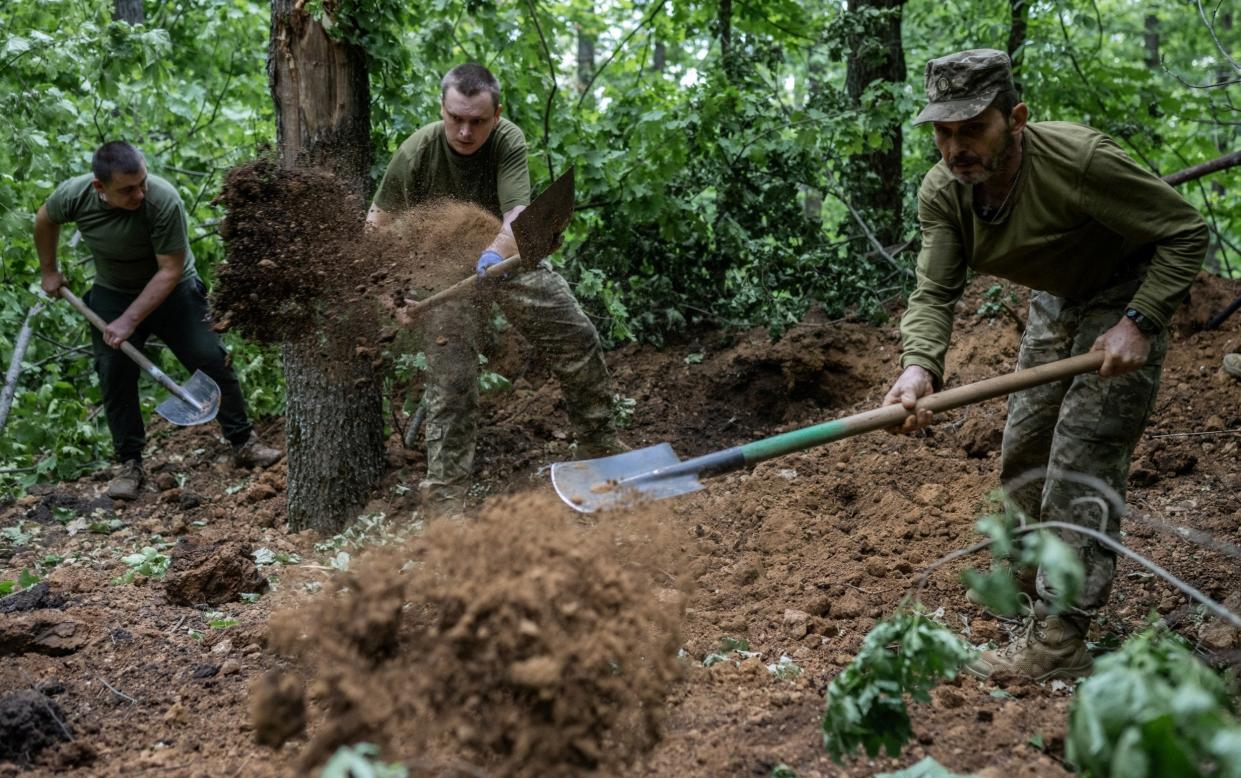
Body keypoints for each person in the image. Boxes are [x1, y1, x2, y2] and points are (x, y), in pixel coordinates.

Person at [883, 49, 1207, 680]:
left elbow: (1185, 231)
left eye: (973, 128)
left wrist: (1138, 322)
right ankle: (1036, 599)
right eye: (943, 133)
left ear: (1017, 119)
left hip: (1126, 290)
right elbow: (934, 291)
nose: (956, 149)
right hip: (1057, 300)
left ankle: (1060, 640)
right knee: (1025, 453)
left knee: (1081, 461)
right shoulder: (944, 192)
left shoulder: (1080, 161)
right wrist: (919, 366)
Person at [367, 63, 625, 518]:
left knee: (575, 336)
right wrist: (389, 297)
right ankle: (445, 510)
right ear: (442, 109)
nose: (465, 131)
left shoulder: (507, 140)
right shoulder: (415, 152)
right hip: (441, 270)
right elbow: (375, 228)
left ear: (496, 114)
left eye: (478, 121)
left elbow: (517, 215)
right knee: (452, 383)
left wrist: (491, 255)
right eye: (455, 118)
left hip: (504, 257)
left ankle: (602, 449)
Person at [36, 141, 282, 500]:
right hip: (113, 290)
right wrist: (49, 271)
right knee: (114, 372)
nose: (139, 193)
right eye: (127, 190)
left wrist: (128, 322)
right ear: (99, 188)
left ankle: (243, 441)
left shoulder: (162, 200)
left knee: (208, 356)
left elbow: (170, 270)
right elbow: (45, 218)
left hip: (174, 290)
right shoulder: (75, 195)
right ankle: (130, 463)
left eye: (142, 183)